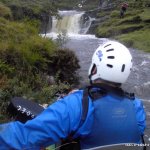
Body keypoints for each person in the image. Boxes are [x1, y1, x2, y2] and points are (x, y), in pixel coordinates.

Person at [0, 41, 146, 149]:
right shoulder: (136, 106)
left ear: (94, 69)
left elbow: (23, 137)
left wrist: (75, 101)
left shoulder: (77, 105)